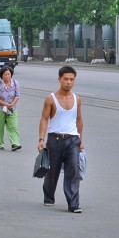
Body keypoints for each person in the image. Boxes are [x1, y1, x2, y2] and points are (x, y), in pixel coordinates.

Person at [38, 66, 84, 213]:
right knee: (52, 172)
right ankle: (49, 196)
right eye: (65, 79)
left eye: (71, 79)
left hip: (72, 140)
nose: (68, 82)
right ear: (59, 80)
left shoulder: (77, 99)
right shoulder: (51, 99)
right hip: (54, 139)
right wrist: (41, 139)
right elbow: (44, 119)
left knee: (73, 171)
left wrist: (81, 140)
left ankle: (73, 204)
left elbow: (79, 120)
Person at [0, 66, 21, 151]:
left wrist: (11, 104)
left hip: (12, 109)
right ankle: (0, 144)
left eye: (9, 74)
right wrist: (5, 104)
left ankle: (15, 143)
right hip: (0, 109)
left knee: (13, 126)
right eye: (5, 74)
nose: (7, 76)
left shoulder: (15, 83)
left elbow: (17, 95)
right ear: (1, 75)